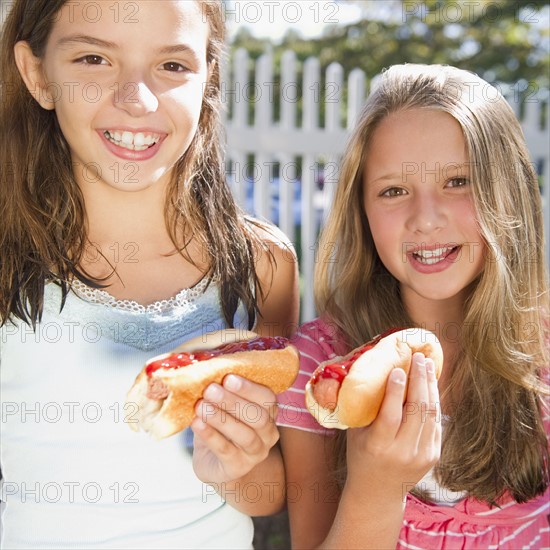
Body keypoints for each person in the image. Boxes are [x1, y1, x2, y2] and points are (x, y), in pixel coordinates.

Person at [0, 1, 299, 548]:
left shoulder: (263, 264)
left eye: (172, 66)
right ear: (37, 74)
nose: (135, 100)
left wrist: (238, 460)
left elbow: (271, 495)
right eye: (93, 58)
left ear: (208, 77)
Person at [277, 64, 550, 549]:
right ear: (362, 211)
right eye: (394, 191)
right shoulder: (320, 369)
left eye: (458, 181)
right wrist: (376, 488)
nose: (425, 220)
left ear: (509, 193)